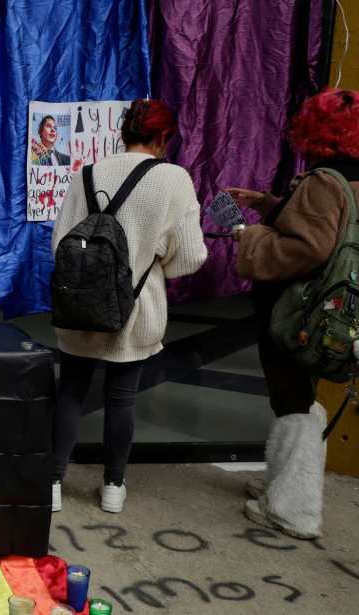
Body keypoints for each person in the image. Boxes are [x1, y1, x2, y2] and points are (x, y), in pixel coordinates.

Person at [50, 99, 207, 514]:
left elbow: (59, 245)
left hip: (79, 308)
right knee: (122, 398)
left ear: (123, 133)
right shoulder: (174, 179)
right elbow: (189, 259)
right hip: (134, 314)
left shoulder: (86, 174)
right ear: (163, 137)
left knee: (70, 393)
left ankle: (52, 483)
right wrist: (153, 261)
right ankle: (112, 487)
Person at [227, 89, 359, 539]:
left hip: (296, 314)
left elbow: (308, 246)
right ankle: (284, 483)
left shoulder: (323, 181)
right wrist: (269, 203)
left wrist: (252, 238)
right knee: (300, 397)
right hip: (333, 314)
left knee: (293, 403)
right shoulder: (350, 181)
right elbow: (331, 229)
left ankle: (292, 510)